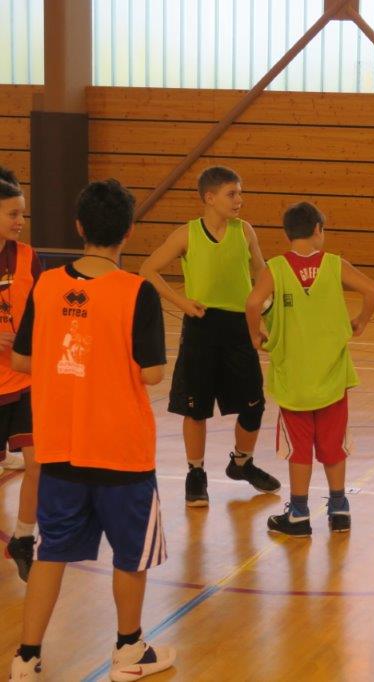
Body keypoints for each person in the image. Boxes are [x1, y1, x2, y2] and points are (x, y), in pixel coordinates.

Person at [8, 179, 175, 680]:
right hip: (121, 452)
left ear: (79, 227)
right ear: (128, 231)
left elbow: (22, 358)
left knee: (51, 552)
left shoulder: (47, 284)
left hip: (60, 448)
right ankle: (128, 650)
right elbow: (152, 373)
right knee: (131, 557)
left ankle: (26, 658)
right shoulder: (137, 291)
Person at [140, 166, 279, 507]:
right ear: (210, 198)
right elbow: (148, 270)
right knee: (196, 408)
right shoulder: (186, 234)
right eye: (232, 194)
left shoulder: (244, 231)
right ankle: (196, 473)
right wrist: (181, 302)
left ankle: (242, 462)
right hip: (201, 327)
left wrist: (262, 314)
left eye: (240, 193)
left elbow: (261, 272)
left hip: (239, 327)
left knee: (254, 404)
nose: (239, 199)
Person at [245, 202, 374, 536]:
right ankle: (339, 508)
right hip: (332, 374)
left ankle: (299, 513)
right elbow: (373, 290)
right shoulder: (334, 264)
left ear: (287, 233)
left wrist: (255, 334)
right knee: (333, 444)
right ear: (318, 229)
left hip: (294, 377)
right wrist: (361, 321)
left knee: (299, 449)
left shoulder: (276, 268)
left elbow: (252, 303)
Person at [0, 167, 42, 581]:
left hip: (25, 379)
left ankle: (24, 538)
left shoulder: (29, 257)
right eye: (13, 213)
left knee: (38, 463)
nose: (20, 221)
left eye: (22, 214)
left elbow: (44, 309)